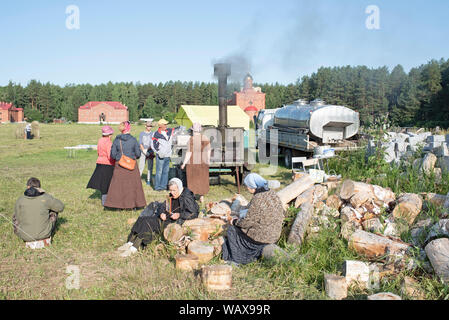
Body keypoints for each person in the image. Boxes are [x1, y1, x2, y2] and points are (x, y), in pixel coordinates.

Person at [118, 178, 199, 257]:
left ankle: (134, 248)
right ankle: (129, 242)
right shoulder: (171, 195)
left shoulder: (187, 197)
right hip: (167, 218)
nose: (172, 192)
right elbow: (163, 206)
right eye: (170, 190)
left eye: (174, 190)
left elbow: (193, 213)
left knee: (147, 224)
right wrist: (162, 213)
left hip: (175, 223)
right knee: (142, 219)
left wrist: (179, 215)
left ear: (180, 188)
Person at [221, 173, 285, 265]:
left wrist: (234, 221)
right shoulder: (272, 194)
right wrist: (237, 214)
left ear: (252, 186)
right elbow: (254, 213)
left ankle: (237, 259)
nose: (247, 188)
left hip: (262, 238)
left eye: (247, 186)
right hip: (274, 235)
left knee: (232, 229)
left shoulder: (258, 198)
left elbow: (247, 222)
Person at [104, 121, 147, 210]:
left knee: (119, 187)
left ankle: (118, 206)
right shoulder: (133, 140)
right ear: (128, 128)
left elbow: (112, 155)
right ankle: (134, 205)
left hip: (119, 165)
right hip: (132, 165)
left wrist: (119, 158)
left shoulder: (117, 140)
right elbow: (138, 154)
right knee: (133, 186)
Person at [13, 177, 65, 243]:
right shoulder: (46, 197)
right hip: (45, 235)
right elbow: (61, 207)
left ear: (28, 187)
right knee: (54, 210)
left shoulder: (20, 199)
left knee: (15, 215)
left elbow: (17, 217)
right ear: (39, 187)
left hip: (24, 236)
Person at [180, 122, 211, 203]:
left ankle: (193, 196)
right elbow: (208, 150)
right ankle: (201, 197)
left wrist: (184, 163)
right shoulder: (205, 138)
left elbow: (188, 153)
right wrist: (208, 159)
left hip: (192, 163)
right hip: (203, 162)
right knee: (202, 179)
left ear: (193, 130)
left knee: (192, 179)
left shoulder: (191, 139)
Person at [86, 126, 115, 206]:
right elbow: (110, 155)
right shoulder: (109, 142)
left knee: (103, 183)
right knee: (107, 184)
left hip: (99, 162)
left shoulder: (100, 140)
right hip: (108, 164)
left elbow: (98, 152)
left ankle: (104, 200)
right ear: (110, 134)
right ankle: (106, 202)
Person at [151, 119, 174, 191]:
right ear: (160, 125)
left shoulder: (169, 131)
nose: (166, 125)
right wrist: (159, 152)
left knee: (165, 172)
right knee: (159, 172)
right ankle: (157, 187)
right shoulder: (156, 134)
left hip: (168, 155)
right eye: (165, 124)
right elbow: (153, 145)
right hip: (160, 155)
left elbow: (177, 129)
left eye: (166, 124)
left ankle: (163, 186)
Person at [138, 121, 155, 186]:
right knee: (141, 166)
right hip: (143, 152)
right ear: (145, 126)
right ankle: (138, 179)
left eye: (150, 126)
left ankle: (148, 180)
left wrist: (148, 150)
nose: (149, 127)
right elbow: (140, 143)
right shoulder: (142, 133)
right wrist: (144, 150)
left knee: (150, 167)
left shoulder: (153, 133)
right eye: (148, 126)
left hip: (150, 151)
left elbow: (153, 143)